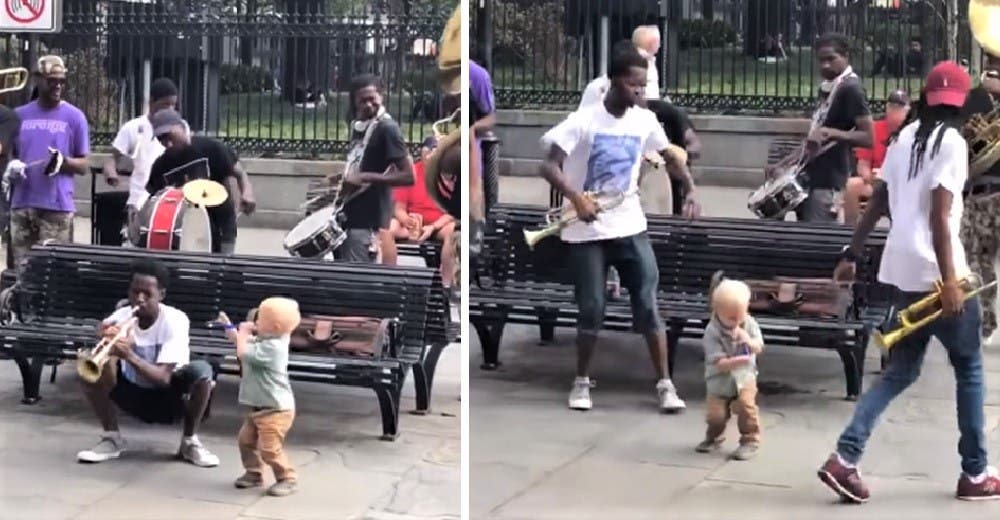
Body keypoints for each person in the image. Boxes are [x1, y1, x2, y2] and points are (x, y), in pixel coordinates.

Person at [818, 61, 1000, 502]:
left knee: (900, 371)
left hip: (901, 270)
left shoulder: (901, 139)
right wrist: (951, 281)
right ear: (959, 103)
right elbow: (940, 216)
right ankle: (975, 474)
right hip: (939, 273)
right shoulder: (952, 143)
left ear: (923, 95)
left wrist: (852, 252)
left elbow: (878, 201)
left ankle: (845, 457)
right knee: (970, 370)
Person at [538, 43, 699, 413]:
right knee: (592, 306)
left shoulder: (643, 121)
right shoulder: (584, 120)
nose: (640, 93)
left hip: (629, 223)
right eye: (633, 85)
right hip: (586, 229)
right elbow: (548, 166)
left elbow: (671, 156)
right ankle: (581, 381)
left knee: (647, 301)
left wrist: (689, 187)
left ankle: (665, 384)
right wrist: (575, 197)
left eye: (643, 86)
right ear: (612, 82)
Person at [76, 258, 220, 467]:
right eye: (135, 292)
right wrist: (104, 342)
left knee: (203, 371)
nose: (139, 299)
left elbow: (163, 379)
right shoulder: (121, 316)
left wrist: (129, 355)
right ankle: (111, 438)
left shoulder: (175, 320)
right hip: (131, 392)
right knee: (88, 369)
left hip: (170, 396)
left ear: (161, 295)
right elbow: (103, 361)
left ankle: (189, 442)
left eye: (147, 294)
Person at [768, 33, 873, 223]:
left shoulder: (852, 89)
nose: (825, 65)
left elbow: (868, 137)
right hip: (809, 175)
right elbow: (815, 137)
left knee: (819, 239)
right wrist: (784, 163)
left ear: (846, 56)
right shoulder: (827, 87)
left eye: (831, 59)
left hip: (830, 180)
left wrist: (833, 133)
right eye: (821, 60)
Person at [8, 56, 91, 269]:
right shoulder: (19, 115)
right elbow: (9, 154)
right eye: (52, 80)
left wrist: (62, 163)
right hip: (23, 204)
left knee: (53, 273)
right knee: (22, 271)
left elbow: (83, 165)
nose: (58, 85)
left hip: (57, 207)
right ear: (37, 79)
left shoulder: (74, 117)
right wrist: (11, 166)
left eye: (62, 81)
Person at [327, 74, 413, 263]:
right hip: (350, 214)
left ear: (381, 97)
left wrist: (365, 176)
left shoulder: (388, 129)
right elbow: (363, 162)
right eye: (362, 100)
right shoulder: (359, 126)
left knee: (357, 281)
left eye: (372, 99)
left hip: (369, 219)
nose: (368, 105)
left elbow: (408, 176)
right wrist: (345, 177)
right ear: (354, 102)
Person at [146, 109, 256, 255]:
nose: (168, 143)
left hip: (222, 223)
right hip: (187, 232)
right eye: (161, 140)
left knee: (224, 267)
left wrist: (247, 194)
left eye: (169, 135)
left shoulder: (211, 148)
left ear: (180, 126)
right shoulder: (160, 167)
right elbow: (155, 201)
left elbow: (240, 174)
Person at [225, 297, 300, 497]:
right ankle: (253, 472)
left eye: (261, 319)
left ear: (274, 326)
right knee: (246, 441)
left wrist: (242, 332)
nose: (256, 321)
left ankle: (287, 477)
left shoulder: (274, 348)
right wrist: (232, 330)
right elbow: (244, 343)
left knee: (270, 449)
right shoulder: (268, 339)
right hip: (258, 407)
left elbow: (243, 352)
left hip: (276, 410)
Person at [696, 279, 764, 461]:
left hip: (744, 378)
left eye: (740, 316)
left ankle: (750, 440)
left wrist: (748, 341)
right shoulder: (712, 332)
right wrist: (738, 360)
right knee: (715, 416)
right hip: (719, 380)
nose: (736, 322)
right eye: (731, 318)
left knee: (746, 407)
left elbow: (758, 346)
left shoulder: (748, 323)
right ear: (716, 311)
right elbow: (720, 363)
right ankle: (714, 436)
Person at [103, 78, 182, 235]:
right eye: (166, 104)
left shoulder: (181, 127)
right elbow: (111, 160)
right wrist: (111, 174)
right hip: (140, 201)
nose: (170, 109)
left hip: (172, 203)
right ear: (151, 102)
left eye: (173, 105)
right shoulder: (133, 127)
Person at [960, 54, 1000, 342]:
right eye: (990, 59)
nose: (993, 67)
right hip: (979, 194)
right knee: (976, 261)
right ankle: (984, 322)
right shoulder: (971, 99)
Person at [384, 136, 458, 293]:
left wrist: (432, 227)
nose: (430, 157)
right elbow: (399, 208)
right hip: (412, 222)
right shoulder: (412, 173)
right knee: (387, 228)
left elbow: (453, 212)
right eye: (428, 152)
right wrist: (407, 221)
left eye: (435, 153)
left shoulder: (449, 173)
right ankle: (388, 277)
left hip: (438, 224)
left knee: (454, 232)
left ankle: (446, 284)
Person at [843, 89, 911, 226]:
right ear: (886, 108)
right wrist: (871, 177)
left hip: (903, 185)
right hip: (876, 183)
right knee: (851, 185)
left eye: (899, 108)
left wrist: (888, 176)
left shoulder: (913, 132)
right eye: (892, 107)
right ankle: (850, 229)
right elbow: (862, 164)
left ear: (908, 110)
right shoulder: (874, 129)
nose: (895, 111)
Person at [469, 59, 494, 252]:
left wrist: (471, 129)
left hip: (468, 144)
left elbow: (490, 118)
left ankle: (474, 231)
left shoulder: (476, 74)